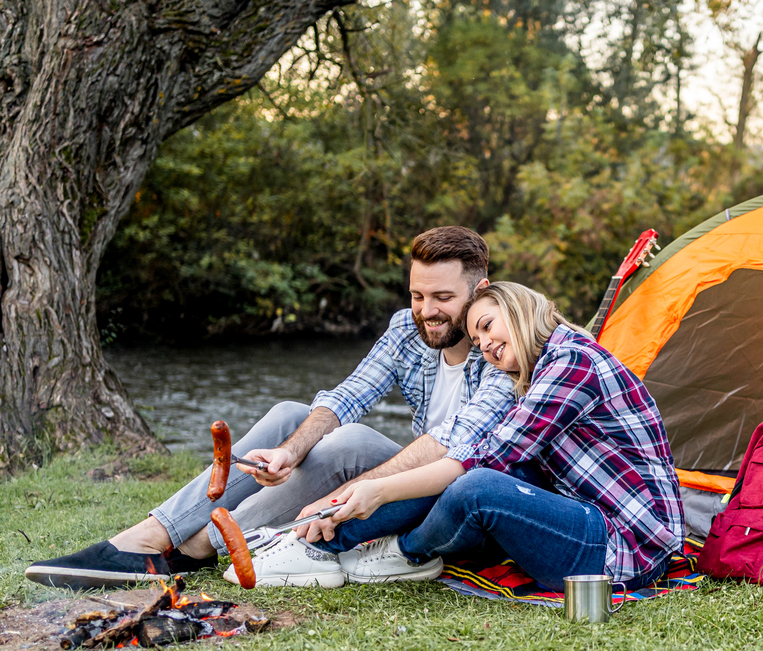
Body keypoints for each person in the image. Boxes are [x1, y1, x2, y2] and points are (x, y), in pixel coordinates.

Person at [25, 226, 514, 589]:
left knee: (353, 442)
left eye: (443, 297)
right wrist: (291, 448)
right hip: (419, 472)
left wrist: (344, 494)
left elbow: (453, 445)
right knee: (290, 414)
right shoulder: (408, 329)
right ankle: (151, 535)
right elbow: (350, 394)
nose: (427, 310)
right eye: (418, 294)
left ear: (481, 290)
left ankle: (195, 549)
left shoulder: (502, 346)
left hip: (461, 494)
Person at [267, 281, 684, 592]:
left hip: (625, 548)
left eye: (487, 326)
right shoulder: (540, 366)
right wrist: (376, 490)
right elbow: (486, 452)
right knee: (462, 472)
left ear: (519, 309)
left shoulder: (572, 361)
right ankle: (321, 544)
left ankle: (404, 551)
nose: (485, 345)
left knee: (477, 485)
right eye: (478, 340)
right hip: (583, 516)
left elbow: (485, 461)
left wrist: (376, 489)